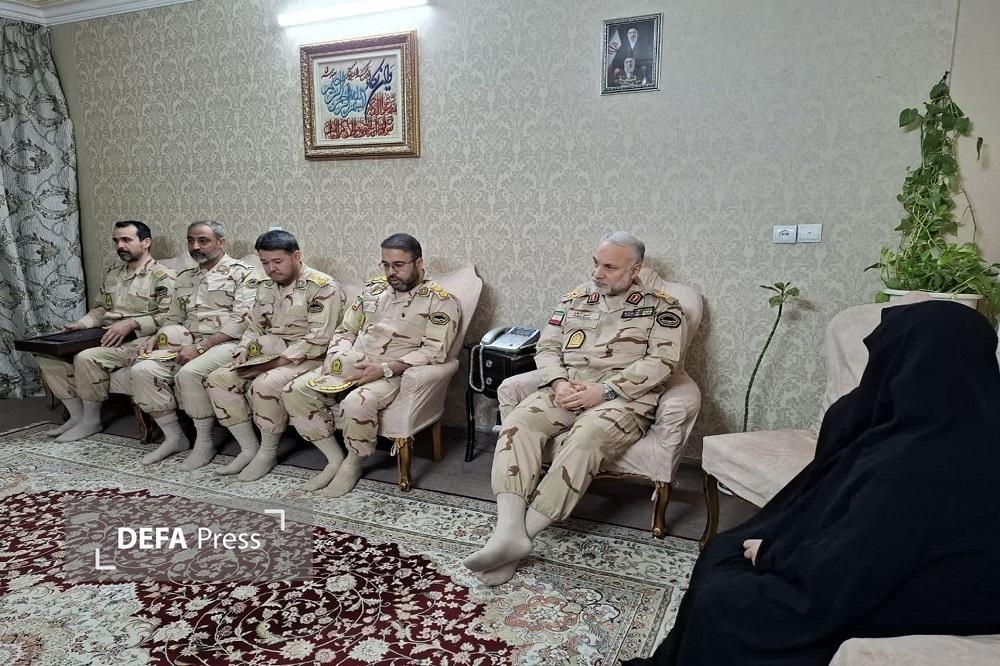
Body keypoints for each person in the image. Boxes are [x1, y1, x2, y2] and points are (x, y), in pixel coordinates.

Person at [625, 300, 1000, 665]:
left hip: (926, 594)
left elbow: (856, 564)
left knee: (724, 600)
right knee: (724, 549)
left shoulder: (920, 462)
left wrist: (775, 553)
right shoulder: (949, 421)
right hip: (885, 565)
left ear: (913, 364)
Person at [463, 231, 684, 586]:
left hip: (623, 399)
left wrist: (604, 390)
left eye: (609, 267)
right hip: (566, 389)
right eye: (595, 263)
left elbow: (663, 362)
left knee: (584, 439)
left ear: (635, 269)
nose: (597, 273)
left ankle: (520, 541)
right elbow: (547, 347)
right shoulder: (576, 298)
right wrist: (558, 382)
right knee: (517, 424)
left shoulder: (663, 307)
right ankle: (507, 532)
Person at [283, 233, 461, 497]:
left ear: (419, 263)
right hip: (351, 365)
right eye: (385, 265)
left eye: (398, 265)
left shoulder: (440, 301)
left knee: (357, 402)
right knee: (295, 390)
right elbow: (346, 330)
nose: (391, 272)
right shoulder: (373, 291)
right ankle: (333, 459)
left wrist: (385, 369)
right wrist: (338, 354)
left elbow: (433, 352)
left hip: (391, 373)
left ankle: (353, 463)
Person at [204, 229, 344, 481]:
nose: (271, 269)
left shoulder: (322, 287)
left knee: (265, 383)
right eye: (265, 262)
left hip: (309, 357)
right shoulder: (266, 286)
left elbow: (319, 339)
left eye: (277, 261)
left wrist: (272, 364)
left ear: (296, 256)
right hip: (268, 354)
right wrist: (243, 350)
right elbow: (255, 326)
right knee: (219, 378)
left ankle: (267, 452)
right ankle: (248, 449)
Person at [129, 221, 257, 468]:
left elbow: (242, 321)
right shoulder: (185, 277)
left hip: (228, 343)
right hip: (186, 342)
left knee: (190, 373)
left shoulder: (243, 273)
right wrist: (155, 337)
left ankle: (204, 442)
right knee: (142, 370)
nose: (195, 246)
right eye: (190, 240)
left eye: (203, 240)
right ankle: (174, 437)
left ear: (221, 242)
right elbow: (173, 317)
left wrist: (200, 348)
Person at [36, 220, 175, 442]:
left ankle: (91, 421)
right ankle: (77, 416)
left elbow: (171, 317)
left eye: (126, 240)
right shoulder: (113, 274)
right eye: (116, 241)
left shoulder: (162, 276)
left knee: (86, 357)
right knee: (47, 355)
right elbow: (101, 309)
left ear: (146, 242)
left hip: (139, 340)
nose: (120, 246)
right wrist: (80, 325)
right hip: (106, 335)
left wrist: (133, 323)